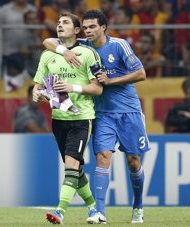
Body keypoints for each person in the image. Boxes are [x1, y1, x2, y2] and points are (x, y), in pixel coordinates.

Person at [43, 9, 150, 224]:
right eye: (85, 27)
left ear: (103, 27)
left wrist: (112, 81)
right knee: (102, 158)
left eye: (93, 27)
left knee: (133, 162)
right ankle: (99, 211)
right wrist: (65, 51)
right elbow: (48, 41)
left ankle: (138, 205)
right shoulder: (83, 46)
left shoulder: (118, 45)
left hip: (129, 111)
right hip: (102, 114)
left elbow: (141, 74)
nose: (88, 31)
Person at [33, 12, 103, 224]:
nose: (59, 25)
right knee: (76, 169)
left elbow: (98, 89)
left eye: (65, 23)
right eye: (58, 22)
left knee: (71, 165)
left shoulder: (87, 53)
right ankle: (93, 209)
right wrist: (36, 92)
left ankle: (60, 211)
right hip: (59, 118)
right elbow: (39, 84)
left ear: (76, 30)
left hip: (81, 118)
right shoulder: (47, 55)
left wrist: (72, 87)